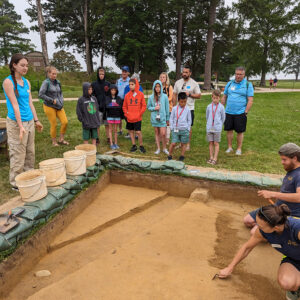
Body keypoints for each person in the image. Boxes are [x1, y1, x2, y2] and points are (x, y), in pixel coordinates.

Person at [219, 204, 300, 300]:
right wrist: (230, 267)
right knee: (286, 282)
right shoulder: (264, 232)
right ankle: (295, 290)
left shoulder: (296, 228)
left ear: (276, 227)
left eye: (260, 226)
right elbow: (247, 248)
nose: (257, 227)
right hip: (294, 258)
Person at [3, 53, 43, 190]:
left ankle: (28, 176)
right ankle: (16, 183)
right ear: (14, 65)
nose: (25, 68)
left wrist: (36, 120)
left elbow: (30, 103)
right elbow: (15, 105)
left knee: (30, 151)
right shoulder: (8, 82)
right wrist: (20, 126)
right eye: (22, 65)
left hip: (29, 121)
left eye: (26, 65)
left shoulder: (27, 82)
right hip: (16, 123)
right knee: (18, 153)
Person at [244, 143, 300, 235]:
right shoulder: (292, 170)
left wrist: (273, 194)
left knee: (254, 232)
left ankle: (280, 230)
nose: (282, 162)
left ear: (294, 158)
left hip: (289, 214)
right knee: (247, 221)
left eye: (284, 159)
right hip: (277, 207)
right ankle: (271, 227)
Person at [221, 66, 254, 155]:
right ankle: (230, 147)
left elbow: (250, 100)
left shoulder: (248, 85)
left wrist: (246, 112)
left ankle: (239, 149)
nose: (238, 76)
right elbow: (224, 96)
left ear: (244, 75)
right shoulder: (230, 83)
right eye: (236, 74)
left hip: (240, 112)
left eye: (240, 74)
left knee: (240, 131)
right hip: (228, 111)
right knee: (229, 130)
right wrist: (220, 108)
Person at [39, 66, 68, 146]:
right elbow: (41, 94)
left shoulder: (58, 82)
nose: (55, 75)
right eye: (53, 74)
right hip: (49, 106)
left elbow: (60, 92)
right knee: (54, 124)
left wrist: (61, 100)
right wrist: (51, 100)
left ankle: (61, 139)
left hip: (59, 106)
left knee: (65, 122)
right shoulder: (46, 82)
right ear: (49, 74)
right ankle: (54, 141)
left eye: (56, 74)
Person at [173, 66, 201, 151]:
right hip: (179, 109)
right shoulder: (178, 82)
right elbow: (174, 94)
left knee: (188, 127)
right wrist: (174, 106)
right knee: (179, 126)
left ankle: (187, 144)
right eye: (183, 72)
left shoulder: (194, 83)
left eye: (186, 72)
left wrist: (190, 94)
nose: (184, 74)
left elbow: (199, 95)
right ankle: (181, 144)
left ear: (190, 73)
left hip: (189, 109)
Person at [123, 78, 146, 153]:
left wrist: (140, 114)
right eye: (129, 85)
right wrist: (127, 114)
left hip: (137, 118)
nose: (130, 86)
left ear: (136, 85)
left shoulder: (141, 94)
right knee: (131, 131)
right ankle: (134, 145)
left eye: (132, 84)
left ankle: (141, 145)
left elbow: (143, 106)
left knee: (138, 132)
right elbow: (124, 106)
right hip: (129, 117)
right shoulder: (127, 95)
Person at [147, 80, 169, 155]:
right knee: (156, 133)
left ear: (161, 87)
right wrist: (154, 108)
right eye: (156, 87)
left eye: (159, 86)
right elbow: (148, 107)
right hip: (154, 118)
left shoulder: (165, 96)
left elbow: (167, 108)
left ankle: (164, 148)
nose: (157, 88)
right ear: (154, 87)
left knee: (163, 133)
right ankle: (158, 148)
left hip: (162, 118)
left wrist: (167, 119)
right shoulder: (151, 97)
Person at [168, 92, 192, 161]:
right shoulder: (174, 109)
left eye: (185, 102)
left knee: (183, 143)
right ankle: (169, 154)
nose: (183, 103)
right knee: (173, 143)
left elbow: (189, 120)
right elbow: (171, 118)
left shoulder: (187, 109)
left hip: (184, 129)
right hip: (175, 129)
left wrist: (187, 128)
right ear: (178, 101)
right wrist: (172, 127)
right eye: (181, 102)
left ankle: (182, 155)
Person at [206, 90, 225, 165]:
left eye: (217, 98)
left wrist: (219, 125)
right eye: (214, 98)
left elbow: (223, 118)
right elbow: (207, 116)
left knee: (216, 143)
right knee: (210, 142)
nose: (215, 100)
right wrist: (209, 124)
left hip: (217, 128)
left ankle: (215, 158)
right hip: (209, 127)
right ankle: (211, 157)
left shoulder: (221, 107)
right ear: (212, 97)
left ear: (219, 98)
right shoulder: (208, 107)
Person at [91, 67, 110, 143]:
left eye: (102, 74)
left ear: (104, 74)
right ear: (97, 74)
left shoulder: (108, 84)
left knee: (107, 124)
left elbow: (110, 95)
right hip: (97, 107)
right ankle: (97, 138)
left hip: (106, 107)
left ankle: (108, 138)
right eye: (100, 74)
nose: (101, 75)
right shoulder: (94, 84)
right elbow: (92, 95)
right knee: (97, 124)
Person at [123, 73, 144, 140]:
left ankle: (137, 135)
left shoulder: (140, 88)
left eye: (136, 79)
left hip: (137, 111)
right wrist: (127, 113)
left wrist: (140, 112)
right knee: (130, 125)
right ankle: (131, 134)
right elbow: (125, 100)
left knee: (137, 126)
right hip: (130, 110)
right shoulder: (127, 87)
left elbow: (142, 102)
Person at [104, 84, 123, 149]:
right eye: (112, 90)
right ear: (110, 90)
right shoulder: (107, 98)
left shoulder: (119, 98)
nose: (113, 91)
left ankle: (116, 143)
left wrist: (112, 105)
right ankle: (111, 143)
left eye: (114, 90)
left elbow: (120, 106)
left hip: (117, 116)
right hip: (110, 115)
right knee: (110, 129)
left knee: (115, 130)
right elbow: (107, 106)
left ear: (116, 91)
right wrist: (115, 105)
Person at [159, 72, 173, 145]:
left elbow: (171, 98)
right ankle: (161, 137)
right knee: (161, 122)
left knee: (167, 123)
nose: (162, 78)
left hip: (168, 108)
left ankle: (167, 138)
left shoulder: (169, 87)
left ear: (166, 78)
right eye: (161, 77)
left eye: (163, 77)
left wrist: (163, 101)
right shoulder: (158, 87)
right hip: (160, 109)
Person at [117, 66, 130, 135]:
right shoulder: (119, 81)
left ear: (128, 73)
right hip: (119, 100)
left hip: (126, 101)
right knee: (119, 116)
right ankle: (120, 130)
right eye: (123, 71)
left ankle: (128, 131)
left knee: (127, 116)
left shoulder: (130, 81)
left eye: (125, 71)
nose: (124, 73)